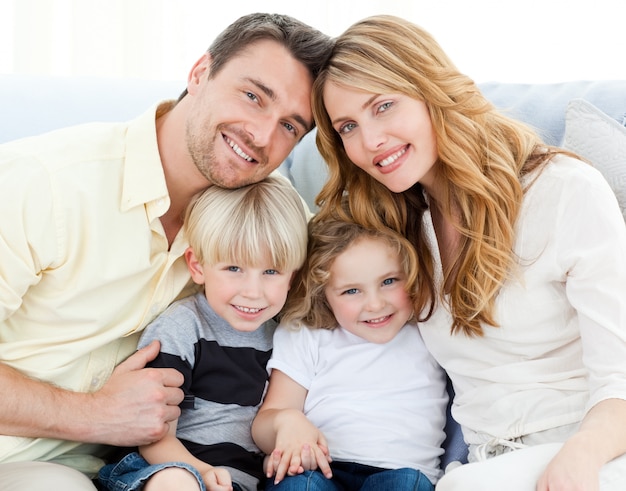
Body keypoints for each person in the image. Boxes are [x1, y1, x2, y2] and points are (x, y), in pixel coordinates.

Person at [0, 12, 332, 490]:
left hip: (115, 472)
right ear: (200, 73)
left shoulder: (270, 221)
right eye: (253, 96)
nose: (261, 135)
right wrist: (94, 416)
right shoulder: (46, 184)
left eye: (289, 126)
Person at [310, 14, 626, 491]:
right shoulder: (398, 228)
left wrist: (580, 455)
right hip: (484, 468)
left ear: (431, 90)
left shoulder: (563, 191)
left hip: (592, 452)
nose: (369, 142)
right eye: (348, 126)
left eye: (384, 106)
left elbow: (621, 378)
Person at [97, 175, 309, 491]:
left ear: (292, 276)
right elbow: (151, 433)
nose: (253, 292)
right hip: (160, 466)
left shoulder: (284, 339)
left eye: (270, 271)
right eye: (234, 269)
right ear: (197, 266)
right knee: (179, 482)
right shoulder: (184, 328)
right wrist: (200, 472)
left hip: (238, 482)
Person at [251, 212, 448, 491]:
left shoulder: (430, 326)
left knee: (407, 484)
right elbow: (266, 421)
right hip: (318, 467)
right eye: (351, 291)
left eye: (389, 281)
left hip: (401, 472)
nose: (376, 304)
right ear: (323, 295)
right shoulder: (306, 334)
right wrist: (287, 423)